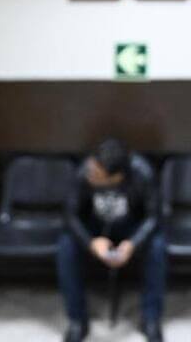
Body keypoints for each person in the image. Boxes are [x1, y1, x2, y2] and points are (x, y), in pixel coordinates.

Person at [57, 138, 166, 342]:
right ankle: (77, 320)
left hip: (130, 227)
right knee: (66, 246)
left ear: (116, 178)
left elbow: (153, 217)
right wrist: (91, 242)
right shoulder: (84, 172)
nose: (91, 173)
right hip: (95, 227)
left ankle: (151, 319)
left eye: (98, 174)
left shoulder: (143, 173)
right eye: (92, 167)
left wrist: (133, 243)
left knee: (157, 246)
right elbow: (70, 215)